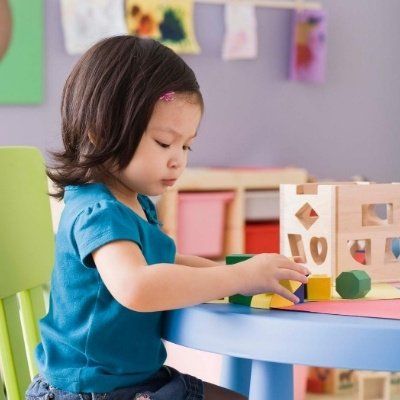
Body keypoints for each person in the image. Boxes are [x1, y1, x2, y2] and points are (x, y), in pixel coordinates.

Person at [25, 35, 309, 400]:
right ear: (100, 133)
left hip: (131, 382)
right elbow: (138, 287)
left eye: (186, 145)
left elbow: (165, 263)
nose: (179, 159)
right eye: (164, 142)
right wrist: (236, 276)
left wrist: (244, 273)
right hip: (92, 392)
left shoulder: (135, 201)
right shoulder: (97, 211)